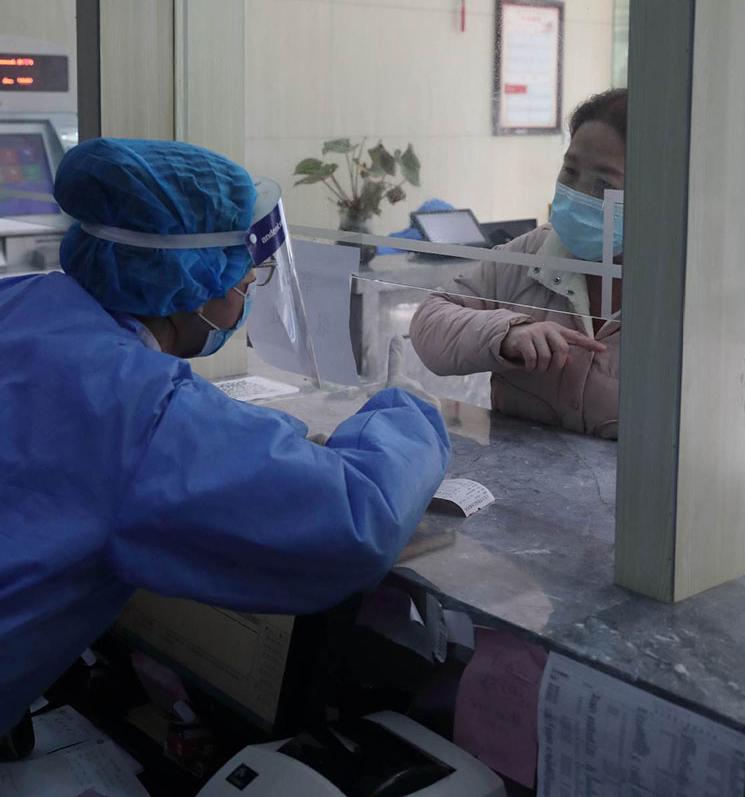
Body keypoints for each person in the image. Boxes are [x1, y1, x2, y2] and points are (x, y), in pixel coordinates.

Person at [0, 138, 450, 734]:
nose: (245, 291)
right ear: (196, 278)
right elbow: (359, 517)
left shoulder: (19, 302)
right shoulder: (144, 414)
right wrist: (410, 407)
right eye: (246, 273)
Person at [410, 89, 626, 439]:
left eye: (603, 183)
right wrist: (507, 333)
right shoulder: (533, 252)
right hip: (523, 486)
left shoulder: (686, 289)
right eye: (570, 170)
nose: (577, 194)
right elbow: (430, 321)